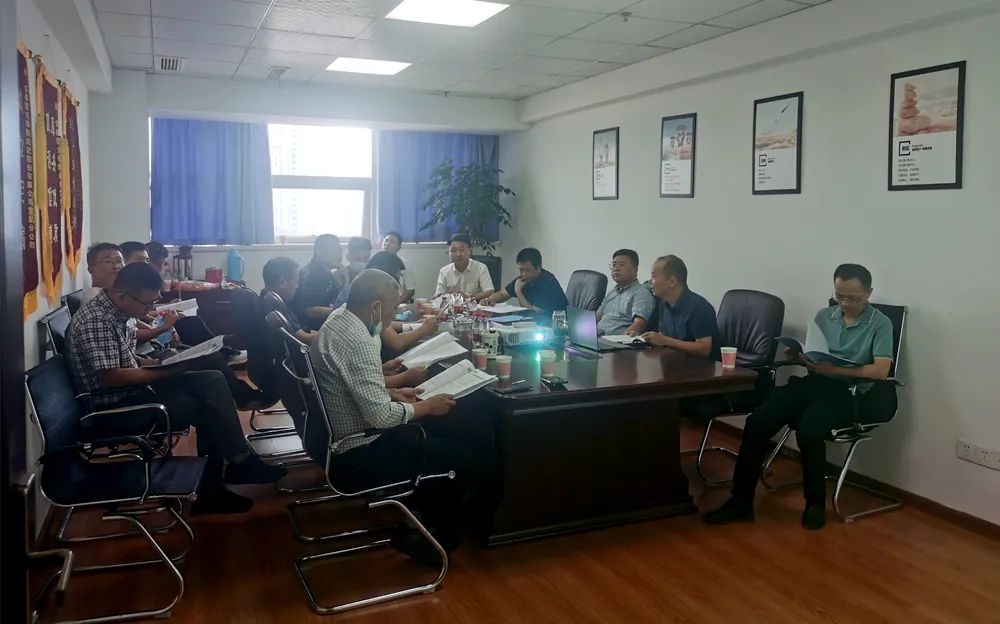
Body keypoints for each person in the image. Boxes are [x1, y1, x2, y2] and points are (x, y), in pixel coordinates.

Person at [66, 263, 285, 515]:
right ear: (123, 296)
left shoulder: (118, 311)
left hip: (134, 390)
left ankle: (235, 464)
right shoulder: (97, 321)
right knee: (207, 405)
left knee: (212, 379)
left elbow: (127, 360)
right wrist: (167, 371)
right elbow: (113, 377)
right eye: (147, 304)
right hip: (116, 407)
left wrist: (163, 363)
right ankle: (220, 482)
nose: (149, 310)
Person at [705, 264, 897, 530]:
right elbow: (816, 356)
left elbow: (880, 370)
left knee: (809, 430)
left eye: (852, 298)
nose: (844, 303)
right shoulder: (823, 316)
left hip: (848, 393)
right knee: (759, 420)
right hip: (815, 382)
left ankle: (814, 504)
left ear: (868, 293)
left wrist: (836, 370)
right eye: (839, 296)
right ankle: (740, 501)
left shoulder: (880, 323)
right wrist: (800, 358)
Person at [311, 269, 483, 564]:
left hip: (334, 438)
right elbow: (380, 417)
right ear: (376, 307)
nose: (393, 317)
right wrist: (425, 407)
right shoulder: (359, 340)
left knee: (440, 432)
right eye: (393, 308)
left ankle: (418, 518)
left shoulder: (339, 319)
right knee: (462, 458)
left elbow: (350, 384)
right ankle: (421, 534)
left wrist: (391, 392)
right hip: (357, 452)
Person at [334, 252, 437, 382]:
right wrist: (403, 378)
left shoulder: (358, 295)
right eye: (396, 277)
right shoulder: (362, 340)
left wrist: (417, 326)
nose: (397, 282)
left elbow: (359, 378)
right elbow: (396, 343)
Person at [642, 255, 721, 360]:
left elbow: (704, 349)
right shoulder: (663, 304)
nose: (650, 282)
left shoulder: (699, 307)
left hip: (701, 367)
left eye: (654, 277)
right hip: (674, 362)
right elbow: (663, 335)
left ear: (672, 282)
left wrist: (664, 340)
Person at [482, 247, 568, 314]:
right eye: (521, 270)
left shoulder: (548, 282)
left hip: (553, 325)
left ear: (538, 267)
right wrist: (490, 299)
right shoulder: (523, 280)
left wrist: (518, 292)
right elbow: (503, 294)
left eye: (527, 270)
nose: (523, 274)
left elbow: (533, 313)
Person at [292, 234, 349, 331]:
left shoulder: (326, 273)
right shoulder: (312, 275)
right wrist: (340, 312)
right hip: (313, 330)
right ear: (319, 252)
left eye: (340, 250)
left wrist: (346, 280)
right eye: (334, 250)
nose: (339, 255)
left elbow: (338, 301)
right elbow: (309, 311)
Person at [597, 249, 655, 336]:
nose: (616, 268)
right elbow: (597, 316)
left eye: (621, 265)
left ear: (635, 270)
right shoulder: (612, 293)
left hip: (615, 341)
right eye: (614, 265)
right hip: (597, 338)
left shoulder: (641, 293)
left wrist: (618, 340)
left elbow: (639, 324)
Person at [261, 257, 317, 345]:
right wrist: (332, 332)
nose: (297, 287)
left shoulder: (263, 299)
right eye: (296, 282)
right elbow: (306, 339)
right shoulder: (277, 306)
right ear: (282, 282)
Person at [435, 233, 494, 300]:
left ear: (470, 251)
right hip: (452, 306)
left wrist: (469, 297)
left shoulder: (481, 268)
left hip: (476, 305)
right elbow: (438, 296)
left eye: (462, 250)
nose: (458, 254)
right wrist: (451, 296)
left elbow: (490, 292)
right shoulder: (444, 272)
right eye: (453, 250)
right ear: (449, 252)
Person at [382, 231, 416, 301]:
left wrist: (396, 302)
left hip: (398, 302)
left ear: (399, 247)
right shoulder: (375, 262)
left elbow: (410, 290)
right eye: (386, 240)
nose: (387, 244)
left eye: (392, 242)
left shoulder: (405, 264)